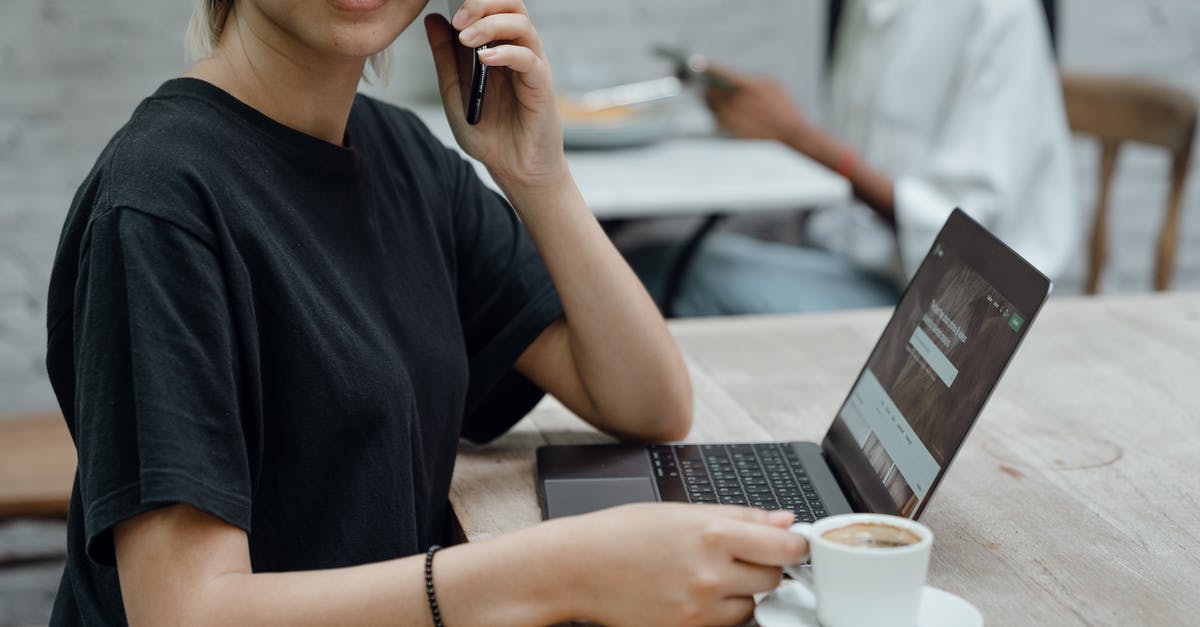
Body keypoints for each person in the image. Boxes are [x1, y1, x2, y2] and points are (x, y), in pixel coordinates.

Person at [44, 0, 810, 624]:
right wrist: (564, 571)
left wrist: (536, 176)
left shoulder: (401, 154)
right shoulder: (159, 205)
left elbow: (646, 398)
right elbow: (187, 613)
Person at [629, 0, 1078, 316]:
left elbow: (972, 242)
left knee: (662, 270)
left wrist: (798, 136)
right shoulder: (864, 10)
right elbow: (851, 171)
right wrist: (772, 125)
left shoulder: (997, 12)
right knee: (639, 245)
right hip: (854, 255)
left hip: (942, 307)